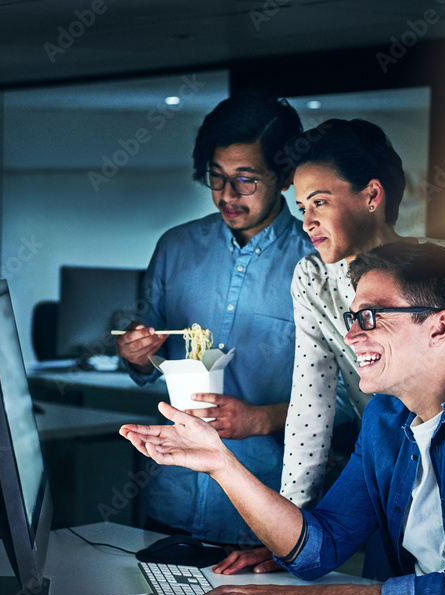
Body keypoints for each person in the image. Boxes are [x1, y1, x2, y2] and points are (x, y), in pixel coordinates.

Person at [119, 242, 445, 595]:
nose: (351, 337)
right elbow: (323, 546)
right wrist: (221, 463)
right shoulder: (387, 413)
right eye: (353, 319)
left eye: (370, 317)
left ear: (439, 327)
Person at [280, 118, 445, 511]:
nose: (307, 221)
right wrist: (287, 529)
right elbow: (309, 405)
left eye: (319, 202)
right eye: (302, 207)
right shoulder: (312, 280)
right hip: (408, 469)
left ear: (371, 195)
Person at [115, 94, 312, 545]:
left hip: (268, 509)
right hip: (172, 495)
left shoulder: (319, 263)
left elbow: (355, 398)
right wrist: (138, 354)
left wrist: (261, 419)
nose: (226, 196)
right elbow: (148, 359)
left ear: (283, 177)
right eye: (216, 178)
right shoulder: (176, 247)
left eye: (245, 181)